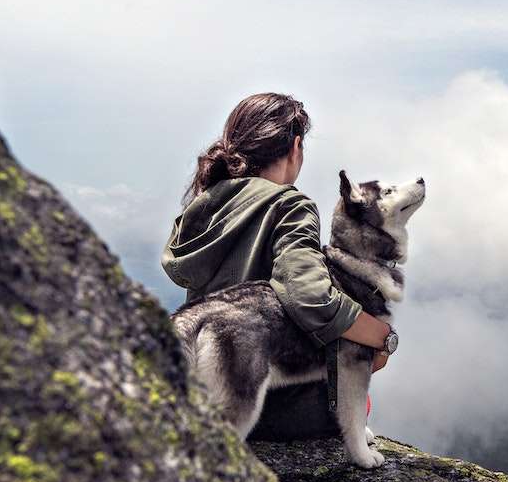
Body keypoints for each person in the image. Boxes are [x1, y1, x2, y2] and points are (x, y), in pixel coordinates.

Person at [160, 92, 393, 440]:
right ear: (295, 146)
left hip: (205, 394)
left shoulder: (204, 206)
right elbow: (310, 295)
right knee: (358, 401)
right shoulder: (289, 205)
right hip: (270, 406)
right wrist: (382, 337)